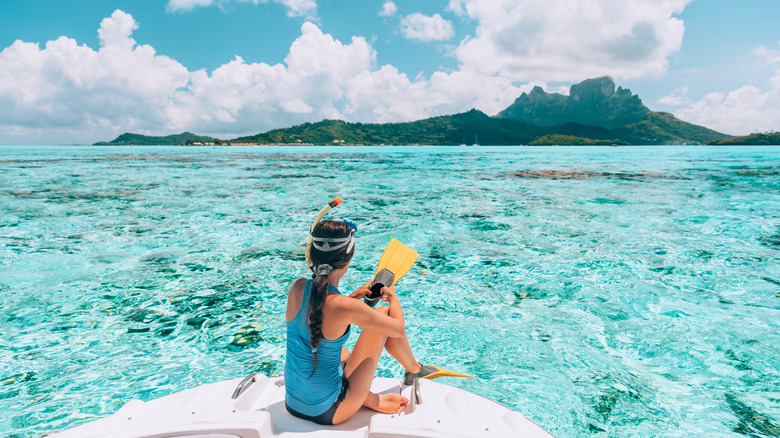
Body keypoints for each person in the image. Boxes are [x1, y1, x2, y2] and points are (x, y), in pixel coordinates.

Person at [284, 219, 424, 425]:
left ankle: (363, 396)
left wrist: (353, 297)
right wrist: (394, 298)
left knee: (343, 354)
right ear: (348, 259)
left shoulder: (297, 287)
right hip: (330, 411)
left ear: (313, 255)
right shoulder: (346, 307)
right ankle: (414, 369)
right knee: (384, 312)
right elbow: (397, 329)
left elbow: (322, 315)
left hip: (293, 403)